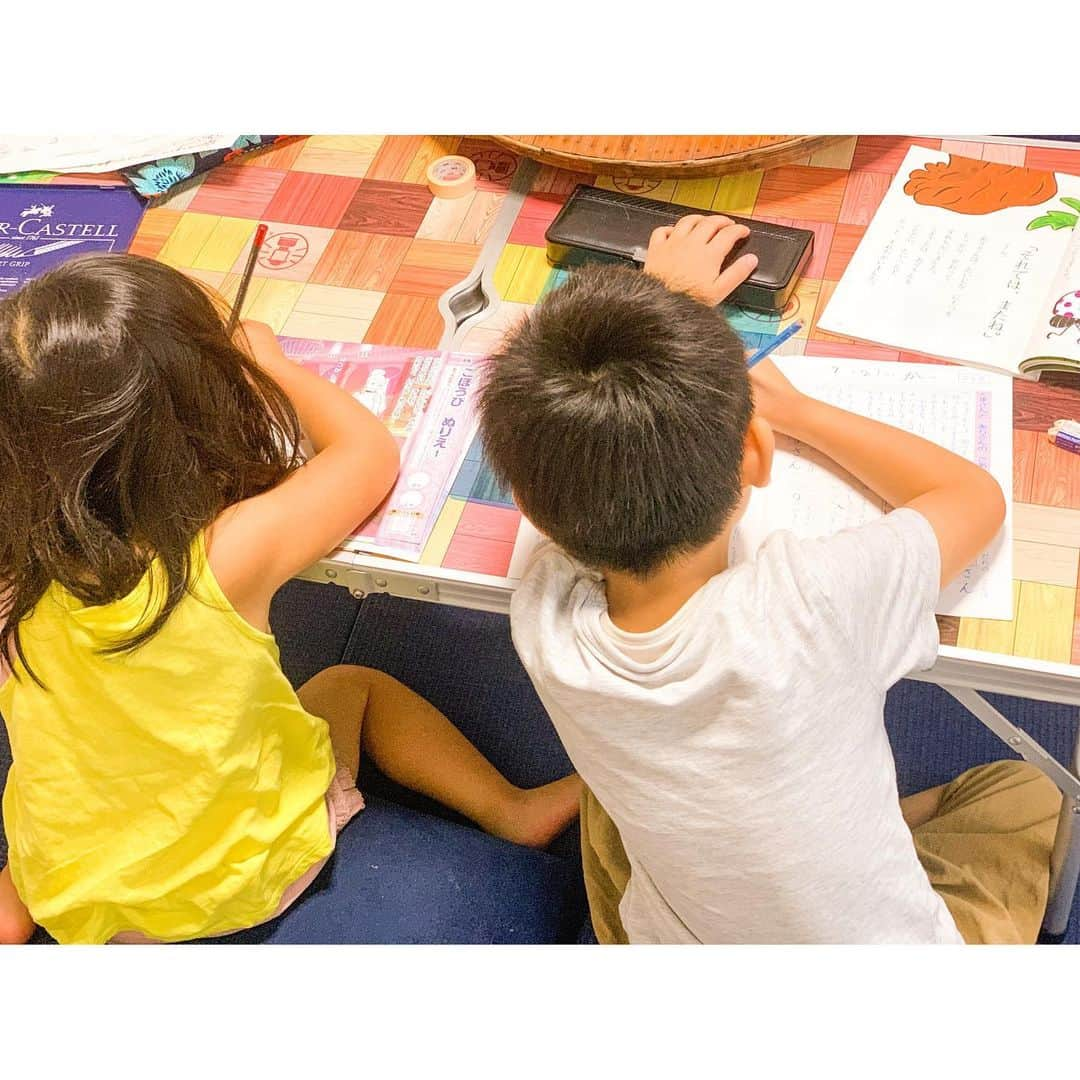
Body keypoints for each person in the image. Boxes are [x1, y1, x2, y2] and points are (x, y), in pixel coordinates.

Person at [477, 214, 1063, 944]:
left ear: (530, 506)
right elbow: (971, 498)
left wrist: (664, 307)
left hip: (676, 937)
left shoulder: (541, 611)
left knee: (610, 805)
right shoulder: (811, 601)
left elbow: (575, 441)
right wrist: (801, 412)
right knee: (1023, 792)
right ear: (758, 452)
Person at [0, 254, 580, 945]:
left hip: (77, 879)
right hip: (227, 880)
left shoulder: (14, 568)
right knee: (349, 683)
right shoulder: (217, 559)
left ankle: (29, 901)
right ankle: (512, 810)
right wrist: (265, 361)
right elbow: (368, 454)